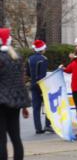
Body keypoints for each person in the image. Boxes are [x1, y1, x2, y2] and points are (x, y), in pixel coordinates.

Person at [0, 28, 31, 160]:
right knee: (16, 138)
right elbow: (21, 83)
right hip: (16, 102)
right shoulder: (16, 56)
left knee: (1, 140)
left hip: (1, 101)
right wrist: (24, 106)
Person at [26, 40, 53, 134]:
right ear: (42, 49)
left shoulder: (30, 59)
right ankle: (48, 125)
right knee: (48, 105)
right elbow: (43, 75)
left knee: (36, 108)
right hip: (42, 85)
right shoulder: (43, 59)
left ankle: (38, 128)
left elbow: (28, 73)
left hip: (33, 84)